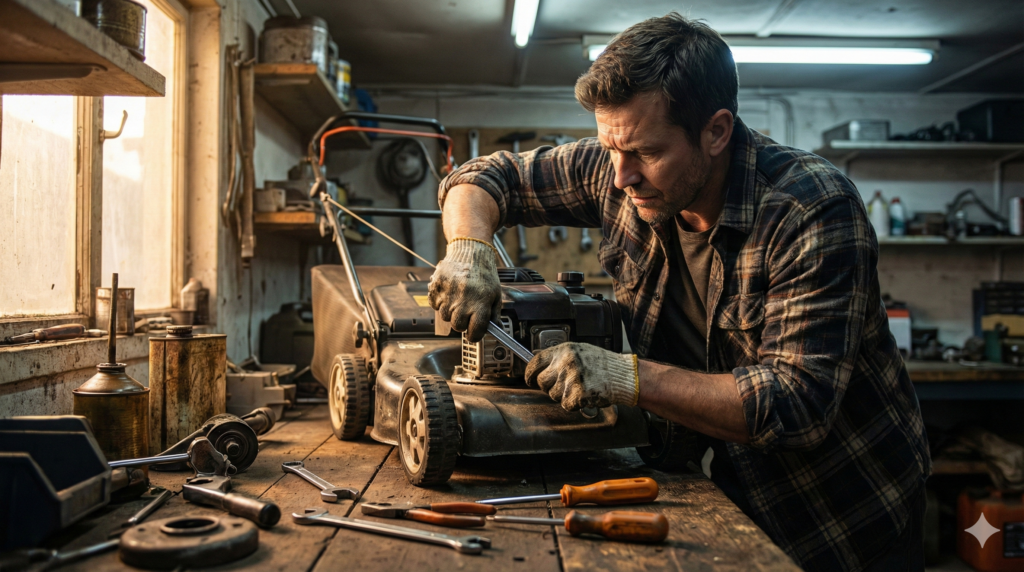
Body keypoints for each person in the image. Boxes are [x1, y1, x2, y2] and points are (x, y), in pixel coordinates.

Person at [428, 13, 930, 572]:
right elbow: (483, 175)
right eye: (611, 149)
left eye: (645, 153)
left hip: (839, 517)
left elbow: (796, 404)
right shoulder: (618, 163)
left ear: (716, 132)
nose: (619, 177)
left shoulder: (811, 209)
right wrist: (468, 247)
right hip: (707, 487)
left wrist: (624, 376)